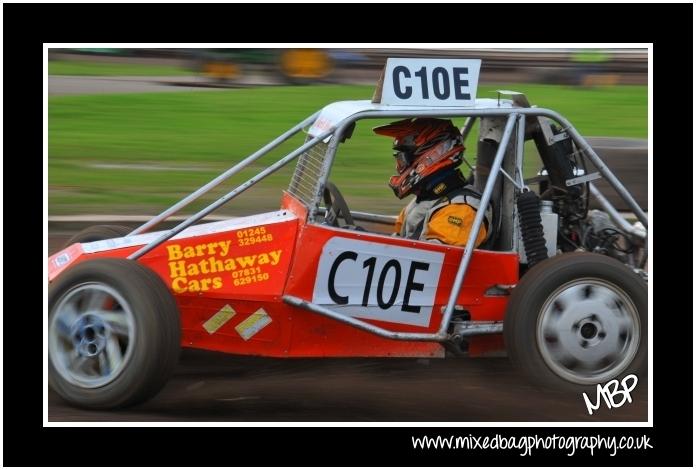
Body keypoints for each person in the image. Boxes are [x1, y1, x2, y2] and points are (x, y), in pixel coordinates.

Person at [373, 118, 491, 247]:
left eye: (403, 158)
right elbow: (397, 242)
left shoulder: (462, 208)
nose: (399, 167)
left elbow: (433, 260)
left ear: (434, 154)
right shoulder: (425, 199)